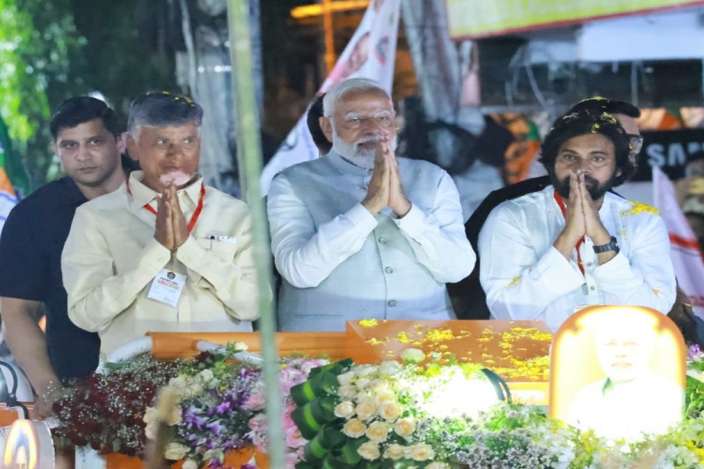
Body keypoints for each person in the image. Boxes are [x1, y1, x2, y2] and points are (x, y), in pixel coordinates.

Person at [267, 78, 475, 331]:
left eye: (383, 118)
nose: (373, 129)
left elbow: (457, 269)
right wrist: (367, 209)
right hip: (328, 343)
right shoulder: (292, 183)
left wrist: (406, 211)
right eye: (355, 120)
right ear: (327, 127)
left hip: (423, 337)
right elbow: (299, 272)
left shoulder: (433, 177)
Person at [62, 91, 261, 356]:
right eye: (162, 142)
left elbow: (256, 305)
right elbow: (85, 314)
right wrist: (156, 252)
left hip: (226, 381)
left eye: (188, 141)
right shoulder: (96, 217)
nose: (176, 154)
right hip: (136, 381)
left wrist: (189, 250)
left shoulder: (235, 213)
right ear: (131, 146)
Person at [478, 108, 676, 330]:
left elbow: (653, 312)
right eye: (569, 157)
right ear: (552, 164)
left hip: (620, 355)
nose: (581, 168)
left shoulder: (643, 221)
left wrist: (601, 239)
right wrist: (567, 236)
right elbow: (507, 310)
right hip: (534, 358)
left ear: (618, 169)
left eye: (598, 158)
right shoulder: (512, 216)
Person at [449, 97, 643, 320]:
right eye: (620, 138)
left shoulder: (634, 216)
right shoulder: (511, 207)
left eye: (634, 142)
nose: (628, 150)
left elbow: (651, 301)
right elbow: (470, 287)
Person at [0, 96, 132, 409]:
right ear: (56, 150)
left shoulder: (157, 194)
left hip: (174, 368)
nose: (83, 156)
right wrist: (48, 389)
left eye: (94, 142)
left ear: (121, 142)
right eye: (70, 146)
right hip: (80, 382)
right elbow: (17, 310)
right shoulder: (33, 217)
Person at [566, 313, 683, 441]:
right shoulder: (584, 397)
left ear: (649, 349)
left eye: (631, 344)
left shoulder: (670, 395)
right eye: (610, 344)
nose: (620, 353)